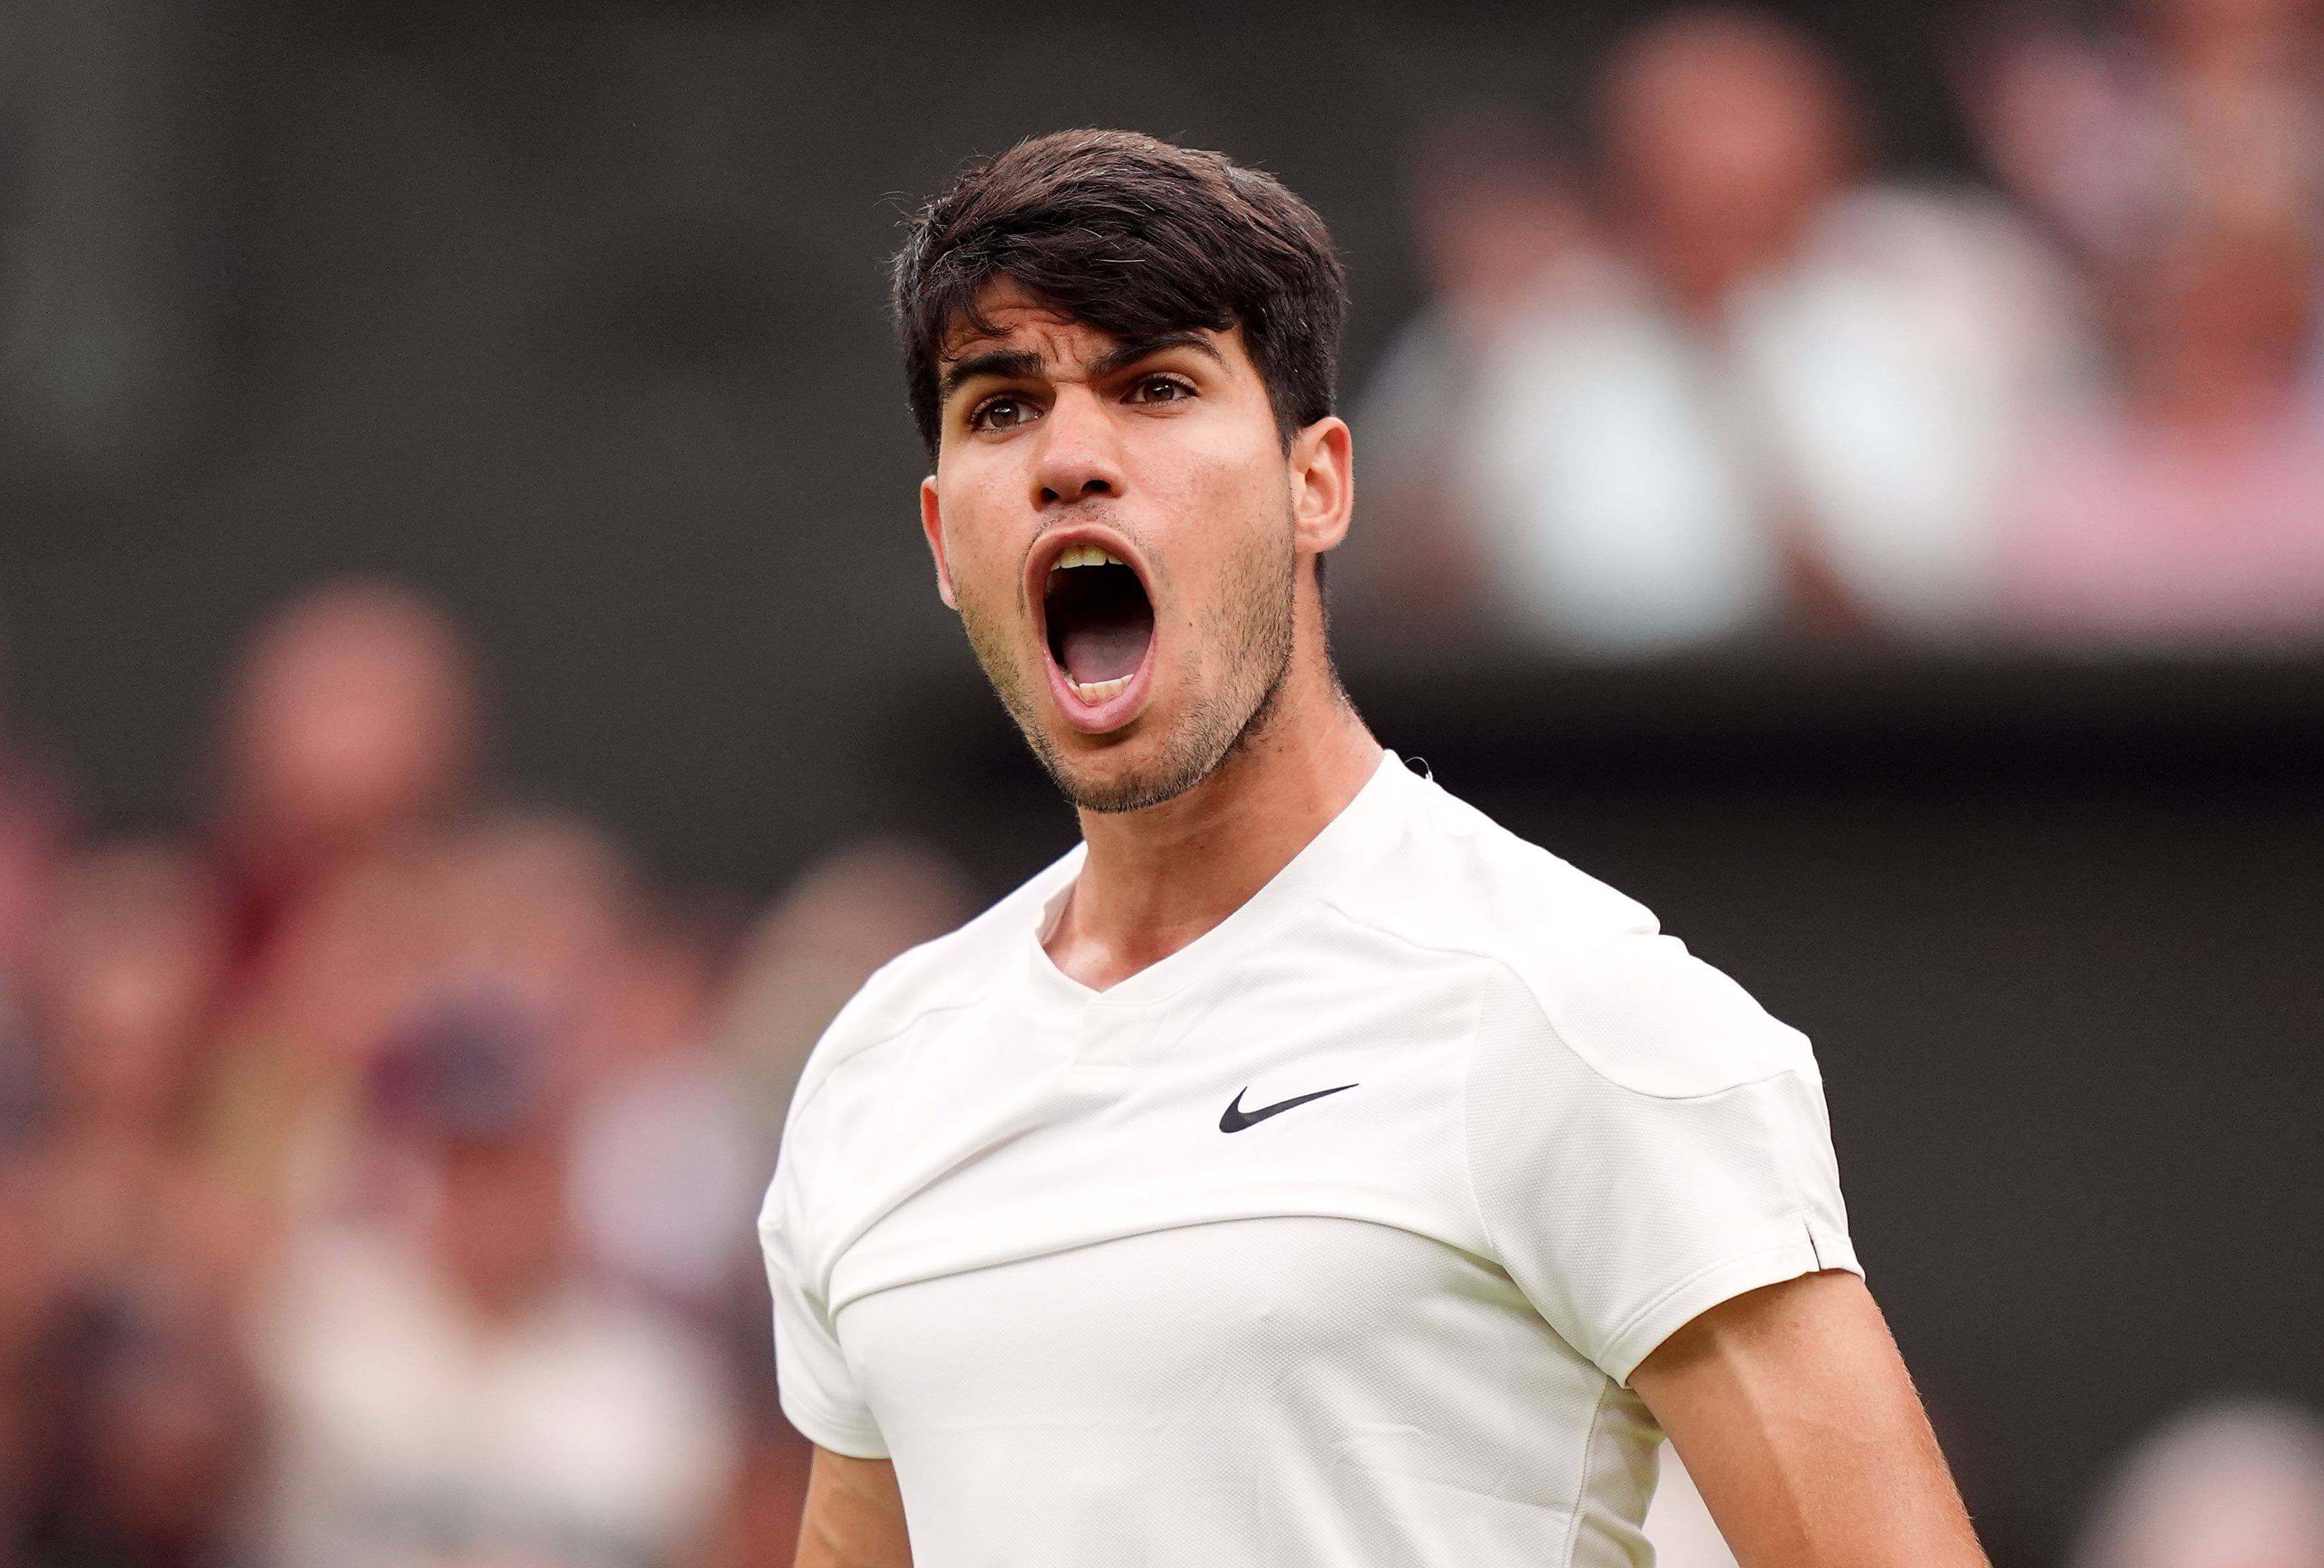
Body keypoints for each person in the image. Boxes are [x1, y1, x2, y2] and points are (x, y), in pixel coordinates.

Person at [757, 129, 1989, 1567]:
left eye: (1156, 387)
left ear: (1318, 486)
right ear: (942, 536)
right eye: (1002, 406)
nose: (1073, 459)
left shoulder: (1572, 1008)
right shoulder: (877, 1075)